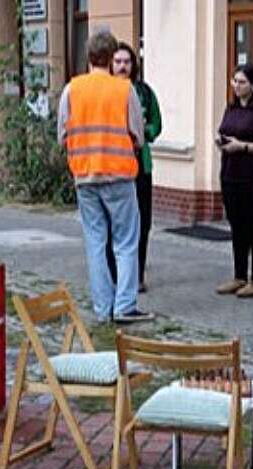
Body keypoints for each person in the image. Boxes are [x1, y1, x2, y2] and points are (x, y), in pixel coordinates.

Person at [58, 30, 153, 324]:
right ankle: (124, 306)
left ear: (88, 57)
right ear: (112, 58)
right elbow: (138, 134)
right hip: (119, 175)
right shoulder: (125, 91)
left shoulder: (71, 90)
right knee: (125, 243)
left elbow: (62, 135)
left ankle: (102, 309)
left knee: (96, 243)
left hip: (85, 176)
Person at [106, 42, 162, 293]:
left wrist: (143, 132)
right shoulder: (104, 91)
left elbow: (156, 125)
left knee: (142, 222)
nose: (122, 66)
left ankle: (137, 275)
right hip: (112, 165)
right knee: (113, 223)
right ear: (110, 64)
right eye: (117, 61)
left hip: (140, 164)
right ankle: (114, 275)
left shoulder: (144, 92)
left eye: (126, 62)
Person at [215, 64, 253, 298]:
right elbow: (223, 130)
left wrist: (242, 146)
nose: (237, 87)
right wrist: (222, 142)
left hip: (252, 174)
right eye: (234, 82)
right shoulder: (231, 108)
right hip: (229, 172)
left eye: (242, 82)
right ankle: (239, 275)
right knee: (236, 225)